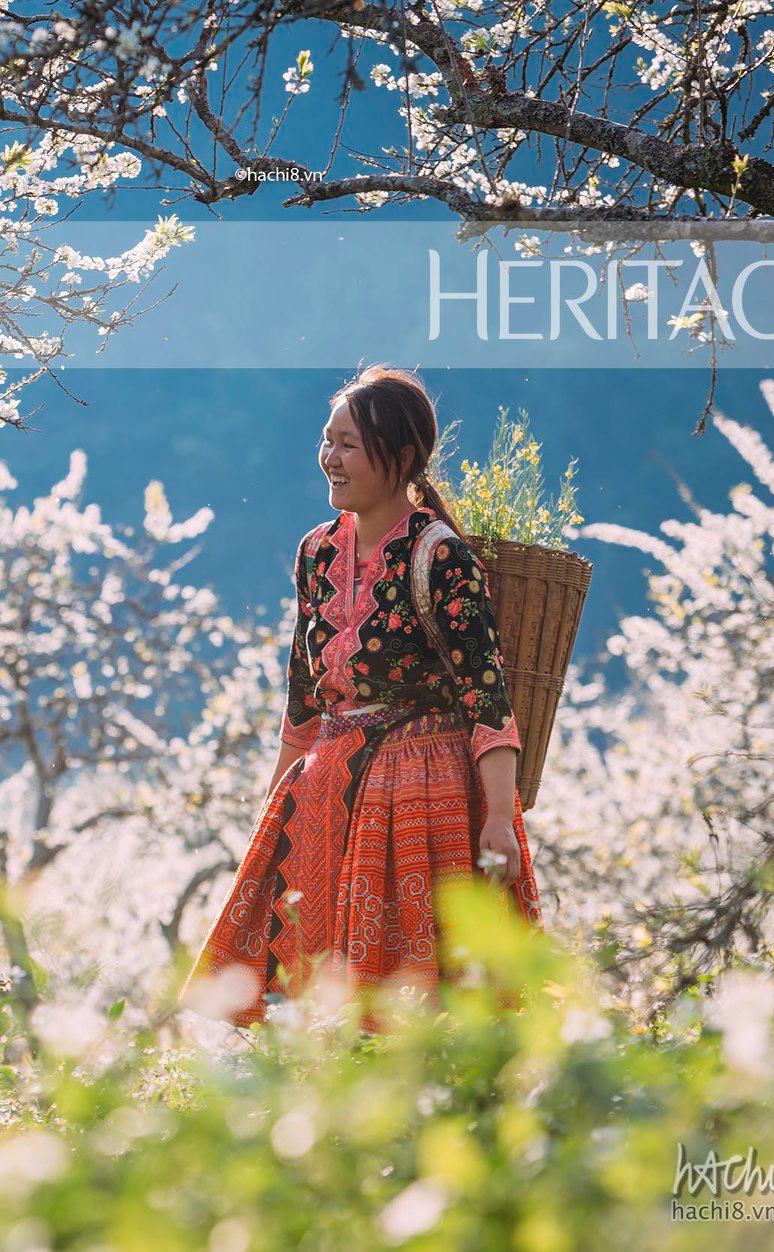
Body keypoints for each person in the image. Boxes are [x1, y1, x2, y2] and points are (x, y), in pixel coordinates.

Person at [180, 364, 543, 1032]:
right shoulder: (315, 553)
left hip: (420, 798)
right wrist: (274, 807)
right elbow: (302, 697)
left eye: (347, 443)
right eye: (327, 440)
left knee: (421, 1000)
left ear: (400, 456)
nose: (329, 457)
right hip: (324, 793)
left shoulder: (440, 559)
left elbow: (485, 696)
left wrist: (498, 816)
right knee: (309, 991)